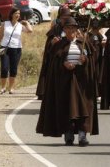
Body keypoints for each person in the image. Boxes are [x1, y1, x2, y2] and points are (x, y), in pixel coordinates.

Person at [36, 17, 99, 146]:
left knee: (84, 108)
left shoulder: (84, 43)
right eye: (68, 28)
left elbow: (93, 62)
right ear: (64, 30)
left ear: (77, 30)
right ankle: (68, 134)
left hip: (82, 82)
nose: (70, 31)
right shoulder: (59, 44)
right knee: (67, 107)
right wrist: (63, 64)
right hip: (65, 81)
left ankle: (82, 135)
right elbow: (53, 63)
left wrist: (85, 60)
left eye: (73, 28)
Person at [0, 7, 33, 94]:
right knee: (4, 68)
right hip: (3, 48)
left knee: (13, 69)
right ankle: (3, 88)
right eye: (16, 13)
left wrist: (26, 22)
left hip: (16, 49)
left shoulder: (20, 26)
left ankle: (11, 88)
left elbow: (30, 30)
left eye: (19, 14)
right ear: (11, 14)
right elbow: (0, 36)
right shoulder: (5, 24)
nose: (17, 15)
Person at [36, 6, 72, 99]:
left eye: (67, 17)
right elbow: (49, 43)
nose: (65, 19)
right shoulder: (56, 28)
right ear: (60, 17)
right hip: (57, 58)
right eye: (64, 17)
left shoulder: (73, 27)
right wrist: (53, 42)